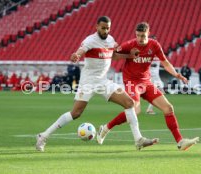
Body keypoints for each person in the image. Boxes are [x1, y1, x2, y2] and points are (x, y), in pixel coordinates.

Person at [36, 16, 158, 152]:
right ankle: (43, 136)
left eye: (108, 28)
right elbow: (81, 50)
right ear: (97, 27)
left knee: (129, 103)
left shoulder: (111, 40)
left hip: (103, 81)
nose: (105, 30)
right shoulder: (90, 40)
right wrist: (76, 55)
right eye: (103, 28)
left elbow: (114, 55)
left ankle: (138, 140)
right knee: (76, 113)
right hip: (88, 83)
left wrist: (129, 56)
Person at [97, 22, 199, 151]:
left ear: (148, 33)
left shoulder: (154, 45)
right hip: (131, 81)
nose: (140, 38)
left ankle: (180, 141)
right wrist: (128, 55)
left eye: (143, 36)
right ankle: (106, 128)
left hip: (146, 82)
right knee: (136, 111)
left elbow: (165, 63)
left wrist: (177, 75)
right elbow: (113, 56)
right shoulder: (129, 45)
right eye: (138, 35)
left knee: (168, 108)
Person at [146, 35, 164, 115]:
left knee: (160, 91)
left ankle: (149, 109)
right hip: (150, 77)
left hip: (156, 77)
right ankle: (149, 109)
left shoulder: (158, 50)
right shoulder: (147, 51)